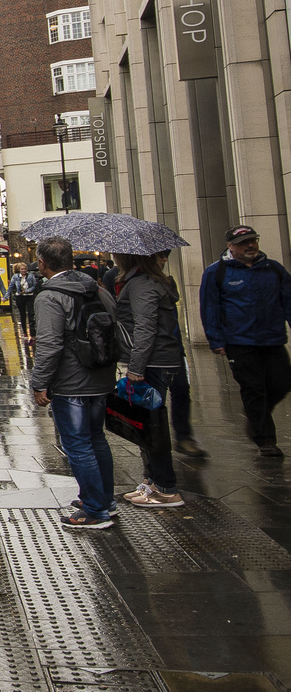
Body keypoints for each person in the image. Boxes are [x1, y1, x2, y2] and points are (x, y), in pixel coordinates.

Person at [31, 236, 118, 529]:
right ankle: (105, 499)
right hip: (102, 377)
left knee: (78, 445)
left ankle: (95, 510)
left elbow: (49, 344)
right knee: (97, 439)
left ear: (42, 263)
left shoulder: (50, 296)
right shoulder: (98, 289)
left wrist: (40, 382)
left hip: (71, 382)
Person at [199, 224, 291, 457]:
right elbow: (210, 307)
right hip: (239, 342)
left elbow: (289, 301)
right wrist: (216, 339)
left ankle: (256, 414)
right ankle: (266, 440)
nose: (250, 245)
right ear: (230, 246)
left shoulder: (274, 269)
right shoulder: (216, 272)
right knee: (253, 389)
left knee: (281, 384)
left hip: (272, 339)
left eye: (253, 240)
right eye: (243, 243)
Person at [115, 251, 187, 508]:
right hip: (158, 360)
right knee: (148, 426)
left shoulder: (142, 284)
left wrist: (136, 368)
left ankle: (166, 488)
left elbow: (145, 327)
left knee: (152, 427)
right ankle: (153, 483)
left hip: (153, 363)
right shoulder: (145, 281)